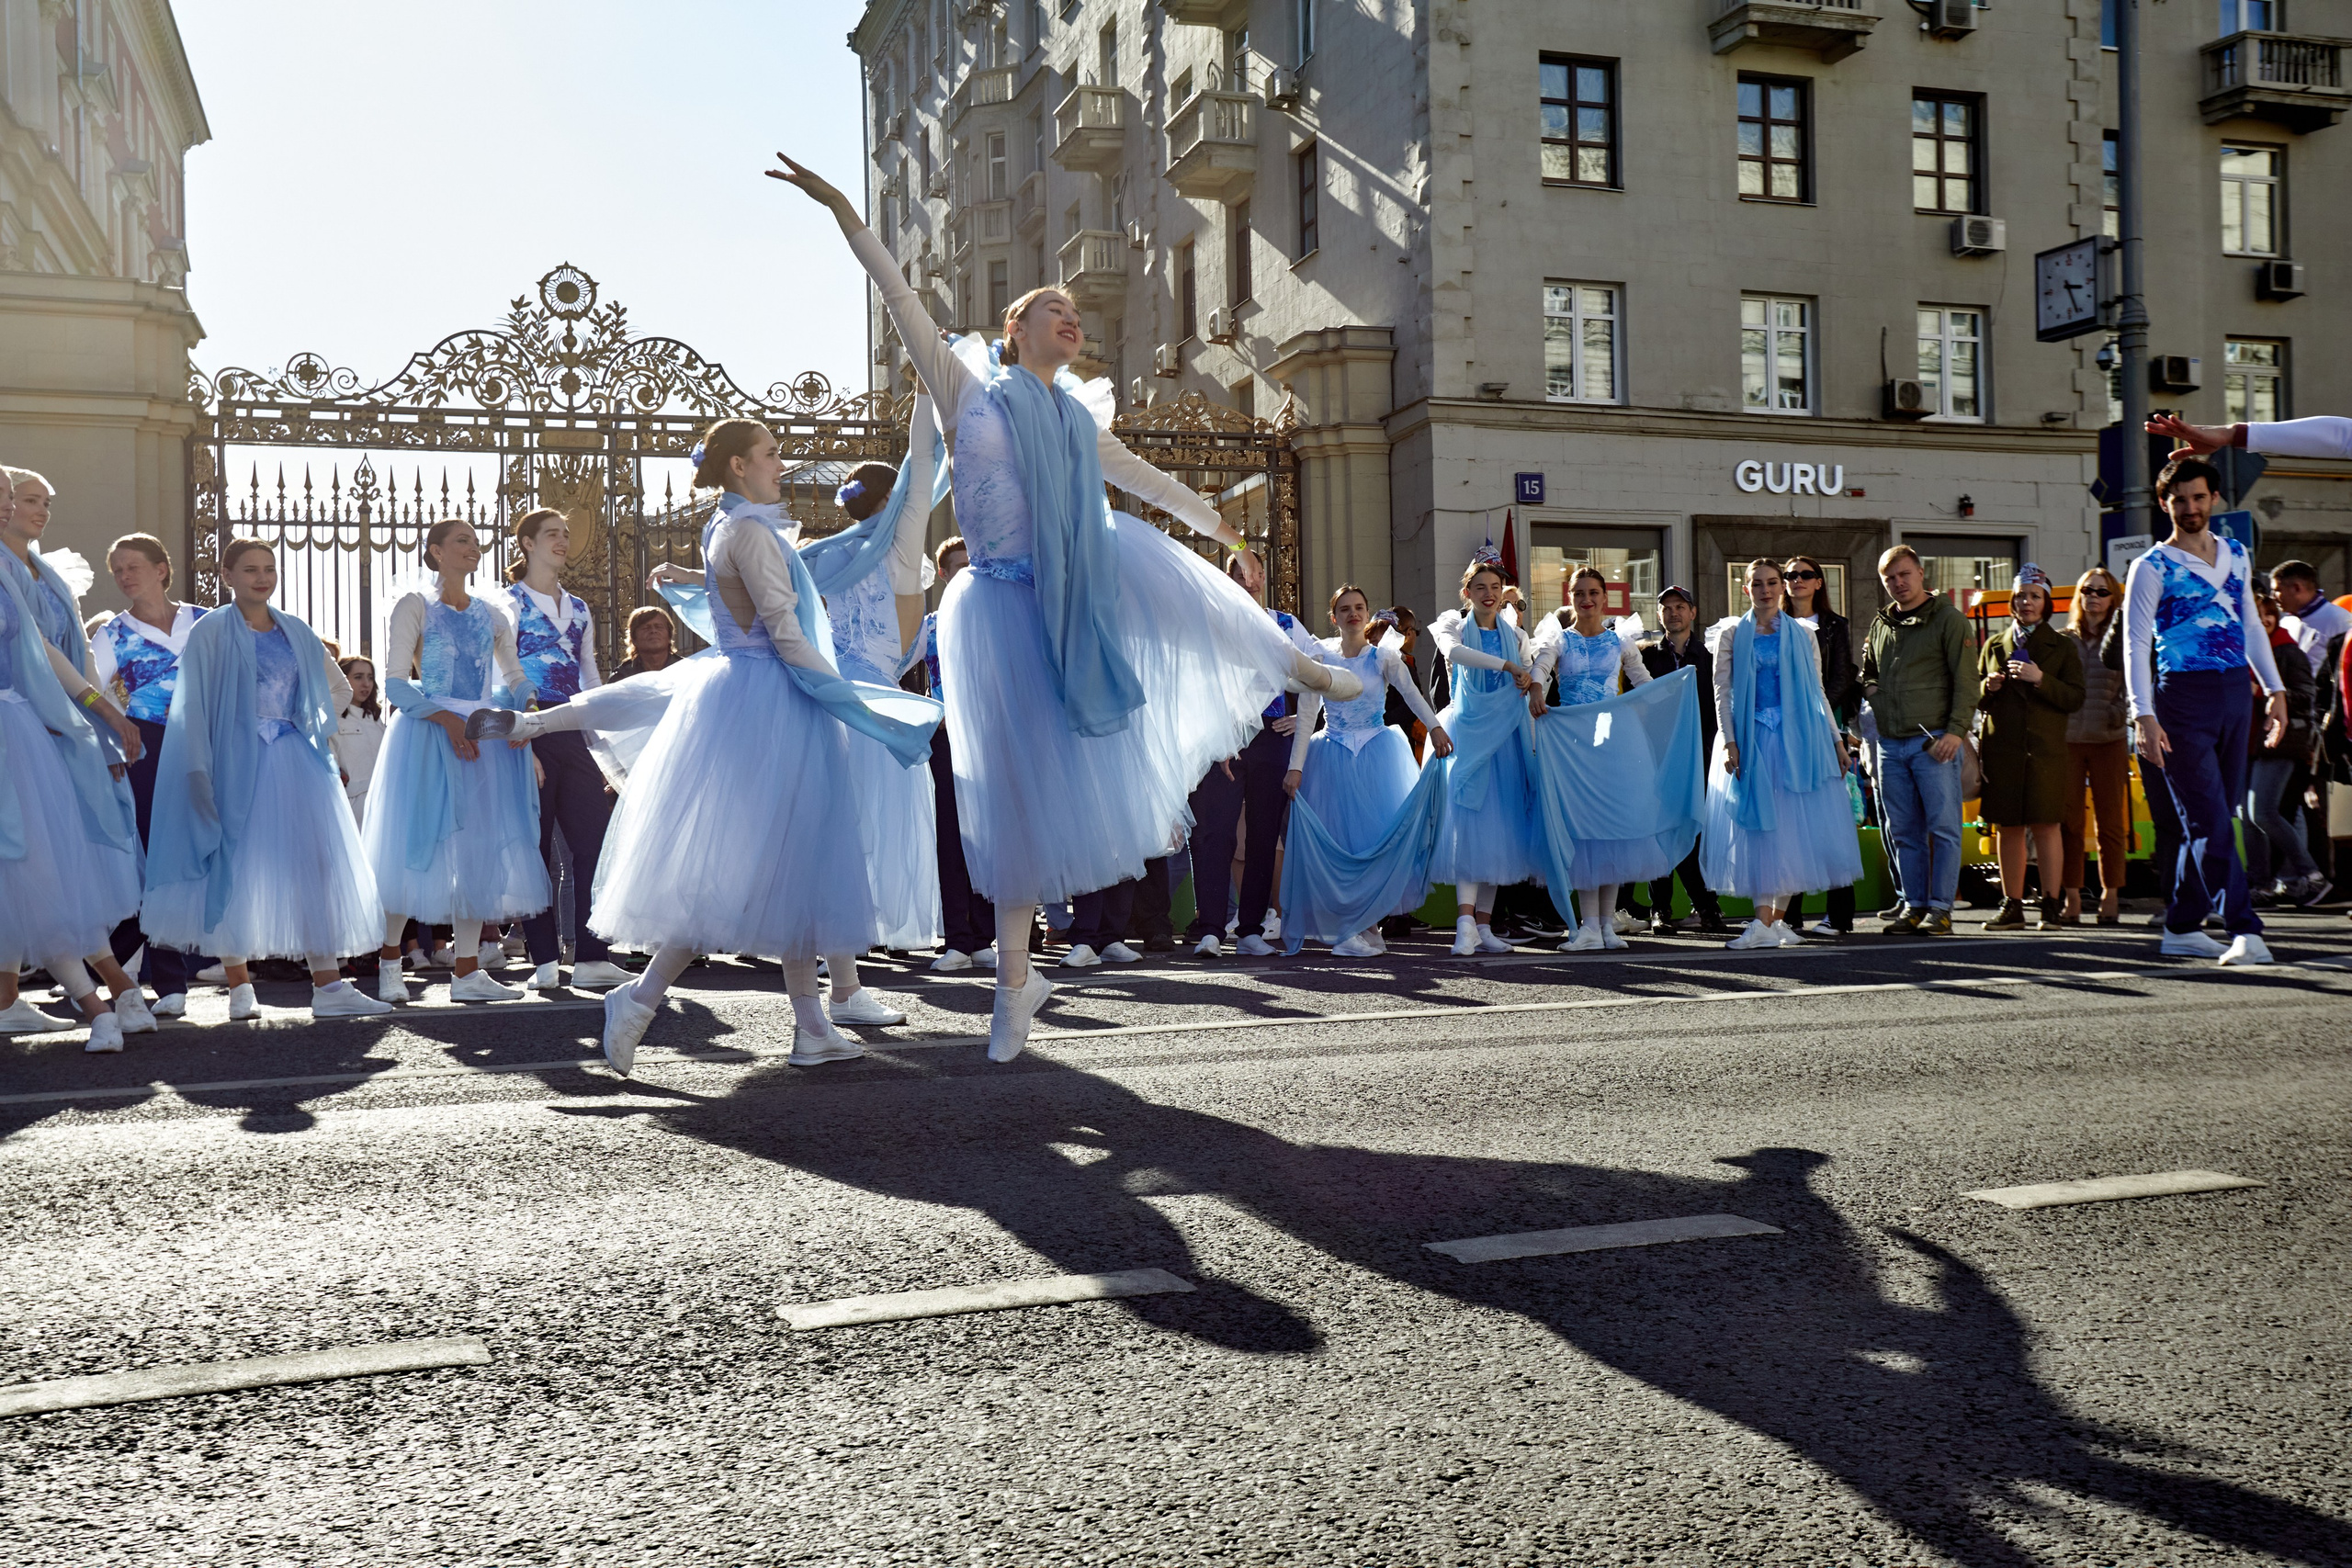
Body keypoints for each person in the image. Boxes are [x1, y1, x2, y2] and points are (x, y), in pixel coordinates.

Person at [771, 152, 1354, 1063]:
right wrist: (845, 209)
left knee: (1164, 571)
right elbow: (897, 292)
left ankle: (1299, 664)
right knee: (1016, 801)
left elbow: (1148, 480)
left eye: (1075, 312)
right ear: (1014, 328)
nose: (1070, 316)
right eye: (1053, 307)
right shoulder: (964, 391)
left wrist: (1225, 531)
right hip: (1000, 608)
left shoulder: (1079, 420)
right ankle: (1014, 987)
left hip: (1073, 584)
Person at [470, 419, 938, 1073]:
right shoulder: (746, 530)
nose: (782, 464)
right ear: (739, 466)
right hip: (772, 701)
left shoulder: (732, 525)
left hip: (759, 696)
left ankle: (806, 1025)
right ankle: (641, 998)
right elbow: (786, 632)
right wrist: (852, 700)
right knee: (745, 870)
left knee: (790, 864)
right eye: (771, 454)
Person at [141, 540, 390, 1020]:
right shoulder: (211, 629)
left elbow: (337, 688)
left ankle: (329, 986)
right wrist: (200, 765)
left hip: (295, 760)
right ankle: (240, 987)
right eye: (251, 569)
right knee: (231, 866)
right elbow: (193, 703)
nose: (262, 577)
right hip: (233, 759)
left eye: (269, 569)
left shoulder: (295, 628)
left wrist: (308, 721)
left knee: (314, 867)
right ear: (227, 575)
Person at [795, 394, 944, 1021]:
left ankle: (837, 976)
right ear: (895, 503)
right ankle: (841, 984)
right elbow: (920, 460)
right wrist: (931, 389)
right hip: (872, 706)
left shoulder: (829, 554)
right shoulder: (898, 547)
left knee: (833, 839)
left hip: (829, 697)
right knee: (857, 843)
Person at [362, 519, 550, 1005]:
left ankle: (467, 972)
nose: (474, 547)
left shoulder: (493, 613)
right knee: (416, 845)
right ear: (436, 551)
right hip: (428, 734)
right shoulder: (414, 605)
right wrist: (445, 719)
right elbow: (396, 683)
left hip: (485, 738)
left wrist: (529, 713)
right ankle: (389, 962)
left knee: (477, 852)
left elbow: (513, 676)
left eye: (475, 541)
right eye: (462, 540)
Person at [2122, 455, 2286, 964]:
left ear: (2214, 498)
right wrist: (2143, 714)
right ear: (2163, 503)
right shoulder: (2150, 567)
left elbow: (2251, 625)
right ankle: (2244, 928)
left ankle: (2182, 925)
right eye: (2179, 500)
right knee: (2209, 818)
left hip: (2236, 692)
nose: (2190, 508)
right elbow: (2134, 644)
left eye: (2198, 497)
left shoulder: (2237, 553)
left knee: (2218, 815)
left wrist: (2275, 689)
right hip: (2181, 698)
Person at [0, 492, 149, 1050]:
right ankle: (104, 996)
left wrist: (102, 713)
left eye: (7, 496)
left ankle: (91, 1001)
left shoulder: (14, 577)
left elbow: (45, 650)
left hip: (23, 726)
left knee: (36, 865)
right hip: (20, 727)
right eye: (13, 497)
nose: (8, 506)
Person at [1277, 584, 1451, 957]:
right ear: (1334, 617)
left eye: (1358, 607)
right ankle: (1346, 931)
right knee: (1341, 848)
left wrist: (1435, 727)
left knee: (1374, 846)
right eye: (1344, 609)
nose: (1352, 613)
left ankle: (1368, 925)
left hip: (1376, 755)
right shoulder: (1320, 657)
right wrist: (1296, 767)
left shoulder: (1383, 657)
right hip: (1332, 756)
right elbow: (1307, 714)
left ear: (1367, 613)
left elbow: (1412, 694)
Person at [501, 508, 634, 993]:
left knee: (592, 842)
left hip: (574, 731)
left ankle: (592, 956)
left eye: (566, 534)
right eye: (552, 534)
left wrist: (601, 746)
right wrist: (523, 741)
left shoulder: (579, 607)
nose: (563, 541)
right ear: (528, 543)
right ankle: (543, 959)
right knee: (534, 848)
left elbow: (589, 677)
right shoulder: (508, 602)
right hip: (528, 731)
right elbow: (503, 674)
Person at [1702, 559, 1862, 949]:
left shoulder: (1803, 633)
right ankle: (1763, 921)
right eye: (1757, 584)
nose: (1766, 590)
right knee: (1759, 827)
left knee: (1792, 828)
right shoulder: (1731, 633)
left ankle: (1772, 922)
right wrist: (1730, 741)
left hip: (1797, 738)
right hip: (1753, 736)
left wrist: (1837, 742)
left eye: (1772, 582)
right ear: (1746, 589)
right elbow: (1723, 691)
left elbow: (1816, 691)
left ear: (1781, 587)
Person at [90, 533, 209, 1015]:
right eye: (117, 569)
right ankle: (170, 981)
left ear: (162, 569)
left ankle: (92, 963)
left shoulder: (205, 621)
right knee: (158, 861)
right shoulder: (110, 634)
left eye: (133, 566)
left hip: (204, 747)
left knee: (194, 858)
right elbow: (86, 694)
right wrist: (111, 743)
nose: (123, 576)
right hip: (145, 750)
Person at [1182, 555, 1321, 961]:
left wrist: (1305, 719)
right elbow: (1197, 681)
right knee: (1214, 833)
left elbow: (1319, 669)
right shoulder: (1212, 620)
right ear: (1229, 579)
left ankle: (1250, 930)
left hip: (1271, 736)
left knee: (1263, 835)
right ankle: (1210, 929)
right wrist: (1218, 737)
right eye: (1242, 574)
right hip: (1223, 739)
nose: (1251, 581)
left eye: (1257, 573)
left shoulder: (1286, 624)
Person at [1530, 567, 1653, 951]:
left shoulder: (1620, 641)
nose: (1586, 600)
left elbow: (1644, 682)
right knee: (1583, 831)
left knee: (1610, 829)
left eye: (1593, 592)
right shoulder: (1559, 639)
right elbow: (1541, 667)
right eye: (1579, 593)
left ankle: (1606, 927)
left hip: (1612, 744)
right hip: (1573, 746)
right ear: (1570, 598)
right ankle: (1588, 927)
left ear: (1605, 598)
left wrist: (1651, 705)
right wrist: (1536, 688)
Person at [1429, 558, 1544, 957]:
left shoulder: (1515, 633)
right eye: (1480, 587)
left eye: (1495, 587)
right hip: (1470, 733)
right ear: (1467, 593)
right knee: (1470, 826)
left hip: (1507, 738)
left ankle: (1483, 926)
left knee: (1501, 832)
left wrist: (1530, 679)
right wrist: (1507, 665)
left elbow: (1530, 674)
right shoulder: (1454, 625)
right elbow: (1455, 653)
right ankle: (1464, 924)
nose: (1489, 594)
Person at [1860, 545, 1975, 936]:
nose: (1898, 583)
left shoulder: (1949, 619)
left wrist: (1956, 732)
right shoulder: (1881, 623)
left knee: (1943, 830)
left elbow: (1967, 681)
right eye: (1889, 578)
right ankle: (1914, 906)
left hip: (1935, 743)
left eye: (1904, 574)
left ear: (1921, 573)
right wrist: (1874, 694)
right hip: (1890, 744)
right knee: (1904, 832)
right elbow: (1869, 671)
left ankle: (1941, 909)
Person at [1974, 566, 2086, 932]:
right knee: (2008, 827)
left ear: (2046, 603)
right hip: (2003, 750)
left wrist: (2041, 680)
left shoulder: (2063, 646)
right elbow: (1975, 697)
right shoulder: (1994, 644)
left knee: (2046, 826)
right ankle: (2013, 904)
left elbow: (2075, 697)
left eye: (2035, 596)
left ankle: (2051, 904)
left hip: (2045, 751)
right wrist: (1987, 688)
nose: (2027, 602)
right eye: (2021, 596)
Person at [911, 536, 998, 973]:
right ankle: (957, 939)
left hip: (989, 739)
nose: (968, 571)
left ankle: (983, 937)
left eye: (973, 563)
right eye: (960, 566)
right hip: (945, 739)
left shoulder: (996, 619)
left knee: (988, 835)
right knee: (950, 837)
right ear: (944, 574)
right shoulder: (928, 625)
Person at [1633, 587, 1730, 937]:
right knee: (1660, 831)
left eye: (1680, 607)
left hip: (1699, 756)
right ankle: (1660, 909)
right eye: (1667, 608)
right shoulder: (1645, 656)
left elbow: (1719, 706)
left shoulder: (1709, 656)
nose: (1673, 613)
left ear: (1692, 612)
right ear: (1659, 615)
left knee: (1696, 830)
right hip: (1656, 755)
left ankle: (1706, 906)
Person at [1779, 554, 1860, 937]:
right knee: (1791, 821)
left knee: (1830, 820)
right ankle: (1788, 915)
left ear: (1819, 582)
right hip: (1783, 731)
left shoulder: (1834, 626)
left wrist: (1816, 714)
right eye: (1790, 575)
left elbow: (1842, 678)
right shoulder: (1772, 622)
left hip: (1824, 728)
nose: (1796, 580)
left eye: (1805, 574)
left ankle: (1839, 915)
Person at [2058, 567, 2132, 926]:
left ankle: (2110, 894)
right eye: (2088, 590)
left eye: (2102, 592)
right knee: (2069, 823)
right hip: (2068, 742)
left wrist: (2117, 713)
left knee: (2111, 822)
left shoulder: (2122, 637)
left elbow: (2134, 685)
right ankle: (2072, 896)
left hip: (2108, 740)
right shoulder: (2063, 639)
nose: (2094, 597)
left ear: (2113, 598)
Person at [2247, 590, 2323, 903]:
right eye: (2257, 614)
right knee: (2250, 816)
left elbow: (2307, 696)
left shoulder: (2287, 650)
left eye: (2269, 613)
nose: (2264, 619)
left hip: (2280, 742)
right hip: (2248, 744)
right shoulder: (2242, 649)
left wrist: (2263, 692)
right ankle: (2262, 884)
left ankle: (2309, 875)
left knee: (2265, 813)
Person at [334, 656, 387, 823]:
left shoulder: (376, 719)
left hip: (383, 800)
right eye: (358, 677)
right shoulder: (332, 718)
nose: (366, 684)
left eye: (370, 677)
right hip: (351, 805)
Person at [613, 604, 678, 679]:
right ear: (634, 638)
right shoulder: (621, 676)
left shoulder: (686, 670)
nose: (653, 631)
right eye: (646, 628)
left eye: (659, 627)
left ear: (669, 636)